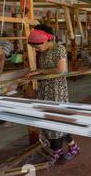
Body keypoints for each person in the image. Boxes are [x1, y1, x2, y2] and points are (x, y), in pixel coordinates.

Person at [26, 24, 80, 163]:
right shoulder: (44, 52)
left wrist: (39, 71)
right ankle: (71, 147)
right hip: (46, 90)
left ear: (46, 40)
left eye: (37, 47)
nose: (37, 50)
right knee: (51, 121)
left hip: (57, 91)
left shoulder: (59, 48)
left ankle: (59, 150)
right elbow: (46, 69)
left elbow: (61, 70)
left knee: (55, 122)